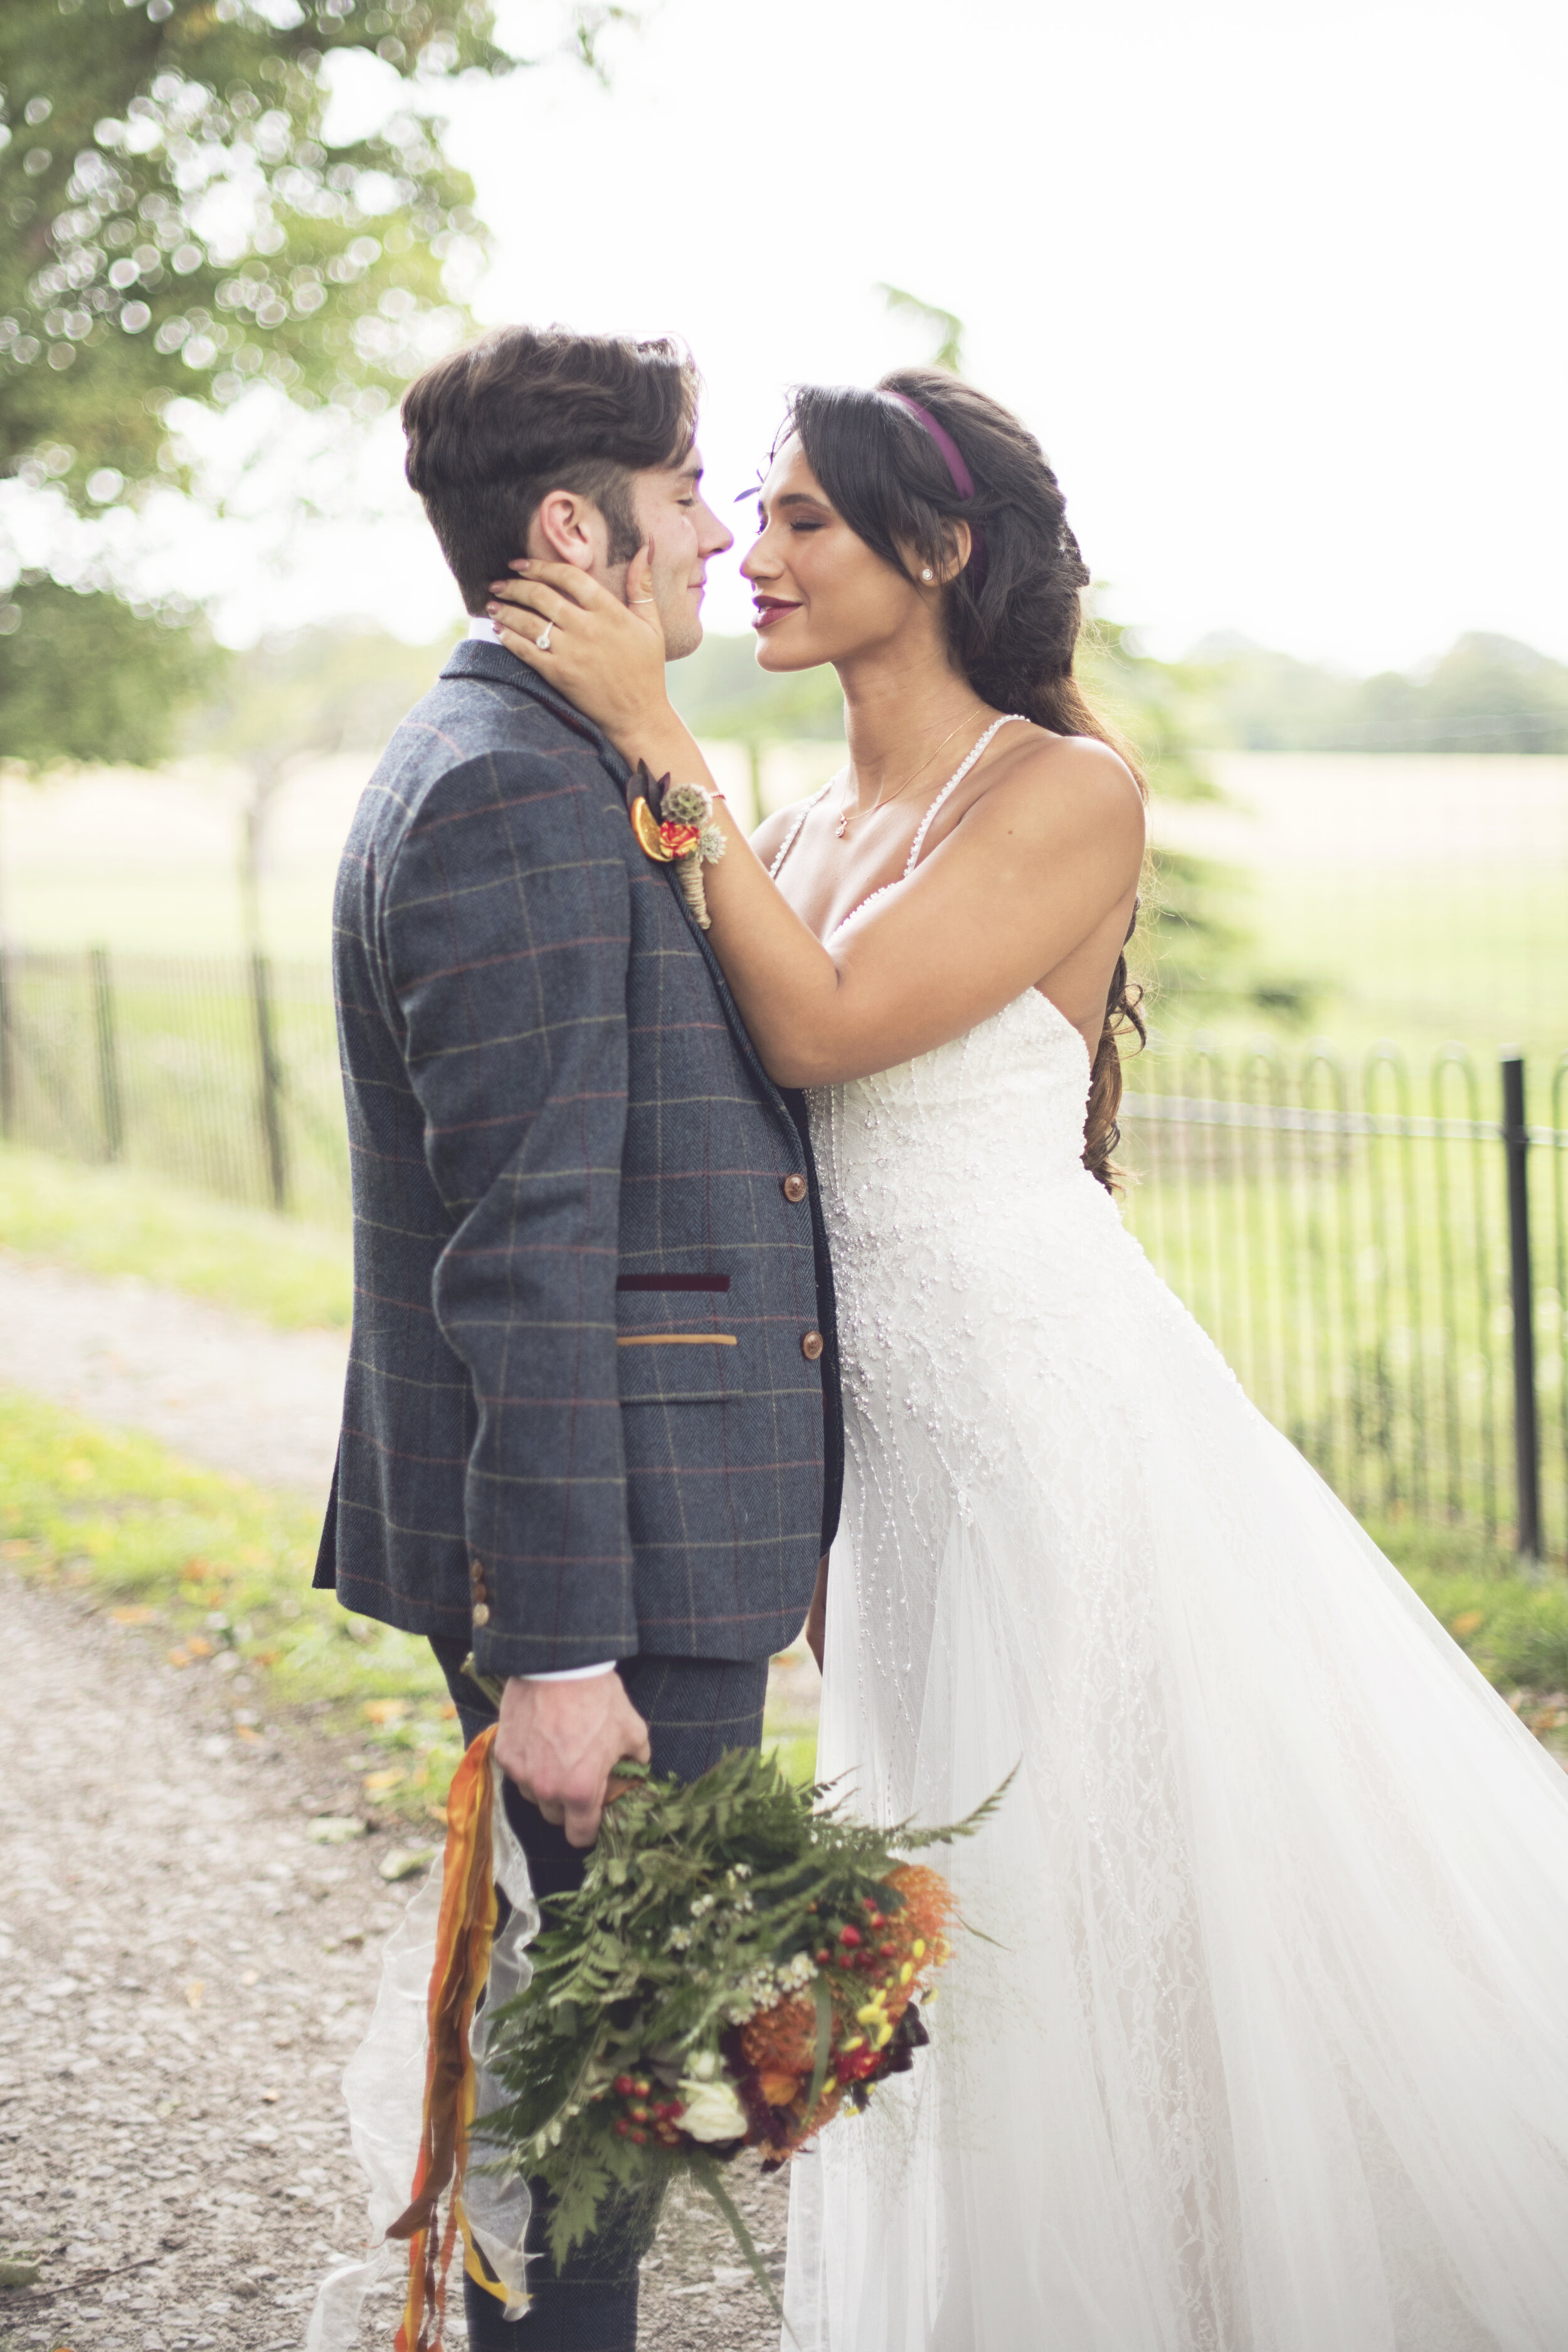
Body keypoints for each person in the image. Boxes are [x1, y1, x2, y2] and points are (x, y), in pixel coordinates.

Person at [486, 367, 1568, 2351]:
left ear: (942, 549)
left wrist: (649, 738)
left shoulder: (1069, 794)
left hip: (1055, 1427)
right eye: (757, 513)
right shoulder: (798, 820)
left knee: (1124, 1893)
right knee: (973, 1932)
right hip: (888, 1464)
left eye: (807, 519)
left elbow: (819, 1031)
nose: (756, 558)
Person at [314, 322, 842, 2351]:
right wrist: (552, 1653)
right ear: (576, 525)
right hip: (602, 1561)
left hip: (638, 1537)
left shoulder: (540, 756)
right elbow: (522, 1254)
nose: (715, 532)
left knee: (590, 2095)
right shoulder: (508, 797)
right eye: (691, 488)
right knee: (589, 2129)